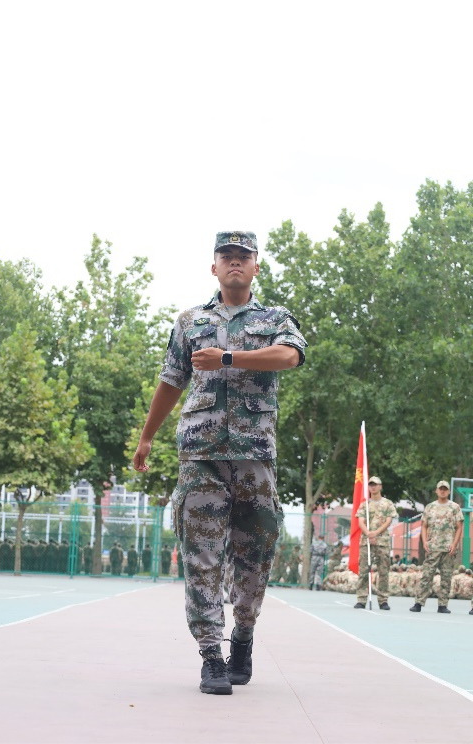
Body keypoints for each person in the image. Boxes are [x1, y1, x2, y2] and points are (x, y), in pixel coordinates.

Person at [133, 230, 306, 695]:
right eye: (226, 256)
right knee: (201, 556)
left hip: (254, 457)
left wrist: (228, 357)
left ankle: (242, 635)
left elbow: (290, 356)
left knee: (256, 555)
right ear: (214, 267)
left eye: (243, 257)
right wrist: (147, 437)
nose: (234, 262)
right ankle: (211, 654)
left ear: (255, 267)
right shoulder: (190, 321)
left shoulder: (275, 318)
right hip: (201, 456)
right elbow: (172, 379)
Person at [410, 480, 464, 614]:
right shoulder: (430, 507)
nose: (443, 491)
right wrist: (424, 542)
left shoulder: (454, 507)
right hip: (432, 547)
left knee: (446, 577)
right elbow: (423, 526)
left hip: (448, 548)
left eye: (445, 489)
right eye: (441, 489)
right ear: (436, 491)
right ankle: (418, 603)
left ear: (449, 491)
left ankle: (443, 605)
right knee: (427, 575)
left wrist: (454, 544)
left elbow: (459, 527)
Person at [354, 476, 397, 610]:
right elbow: (360, 521)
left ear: (380, 486)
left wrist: (375, 533)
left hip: (382, 542)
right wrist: (368, 533)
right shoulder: (364, 504)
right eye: (371, 485)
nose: (373, 487)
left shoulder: (388, 503)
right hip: (366, 542)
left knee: (383, 572)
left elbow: (388, 521)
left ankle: (383, 600)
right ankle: (361, 599)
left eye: (375, 484)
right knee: (363, 571)